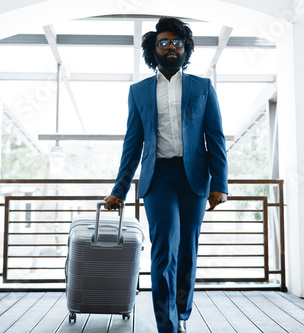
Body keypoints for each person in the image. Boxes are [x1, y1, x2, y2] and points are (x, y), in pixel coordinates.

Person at [104, 17, 228, 333]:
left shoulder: (203, 87)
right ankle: (167, 324)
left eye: (177, 42)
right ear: (153, 49)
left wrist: (220, 183)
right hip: (157, 178)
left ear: (185, 48)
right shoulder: (139, 92)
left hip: (194, 180)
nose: (170, 47)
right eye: (164, 42)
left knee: (187, 249)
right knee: (164, 249)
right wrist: (118, 190)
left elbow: (215, 137)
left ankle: (181, 310)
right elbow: (132, 144)